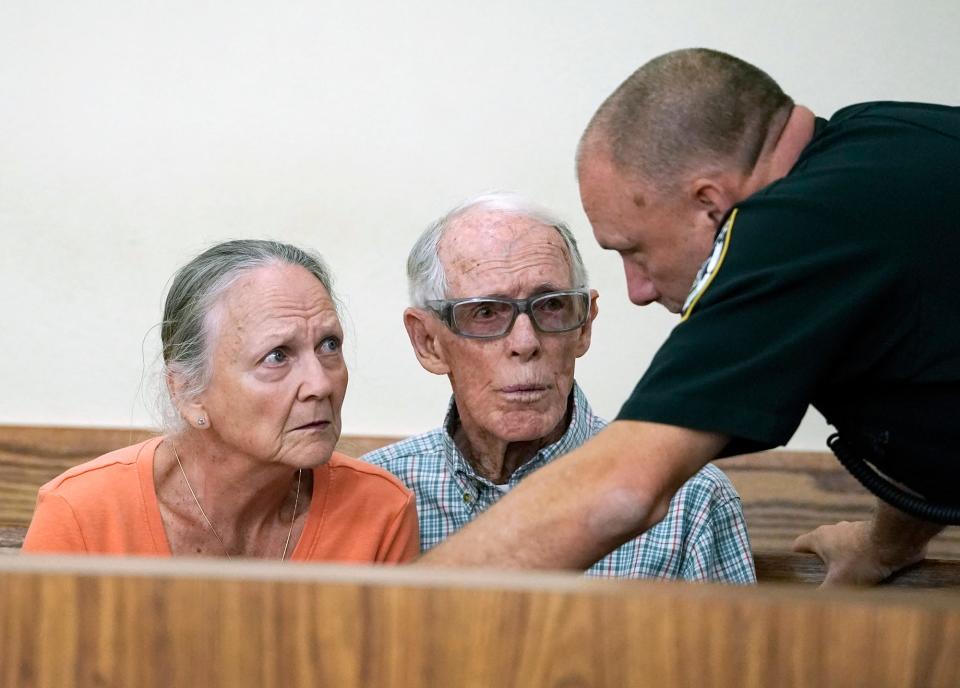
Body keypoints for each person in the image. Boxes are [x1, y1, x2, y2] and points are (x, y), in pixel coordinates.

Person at [419, 49, 960, 585]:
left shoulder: (790, 230)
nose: (638, 290)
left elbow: (621, 491)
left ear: (710, 204)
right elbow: (928, 387)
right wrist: (887, 545)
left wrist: (361, 628)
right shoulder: (888, 143)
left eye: (635, 251)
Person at [364, 192, 755, 582]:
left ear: (584, 325)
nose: (525, 342)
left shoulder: (689, 502)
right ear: (428, 342)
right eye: (485, 312)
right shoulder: (375, 495)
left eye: (551, 306)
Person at [24, 239, 419, 562]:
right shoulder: (82, 514)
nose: (320, 383)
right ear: (188, 393)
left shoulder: (379, 509)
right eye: (277, 356)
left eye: (329, 345)